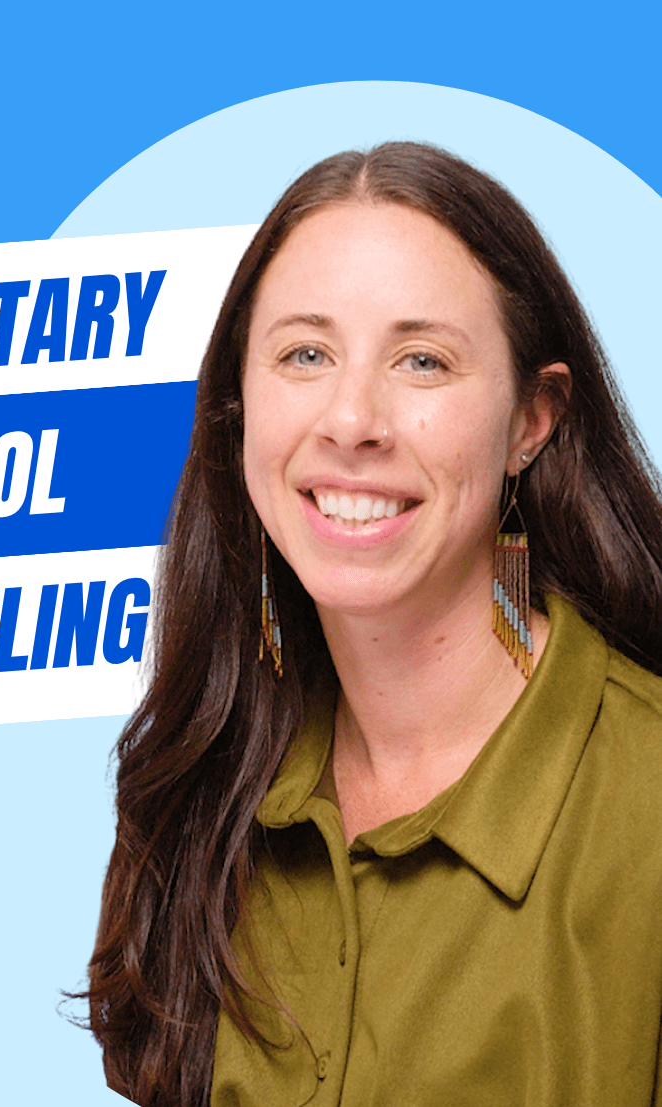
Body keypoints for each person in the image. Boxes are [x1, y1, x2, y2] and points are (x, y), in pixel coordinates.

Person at [84, 142, 662, 1107]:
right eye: (305, 354)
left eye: (421, 360)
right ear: (239, 406)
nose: (351, 418)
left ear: (532, 419)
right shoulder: (198, 786)